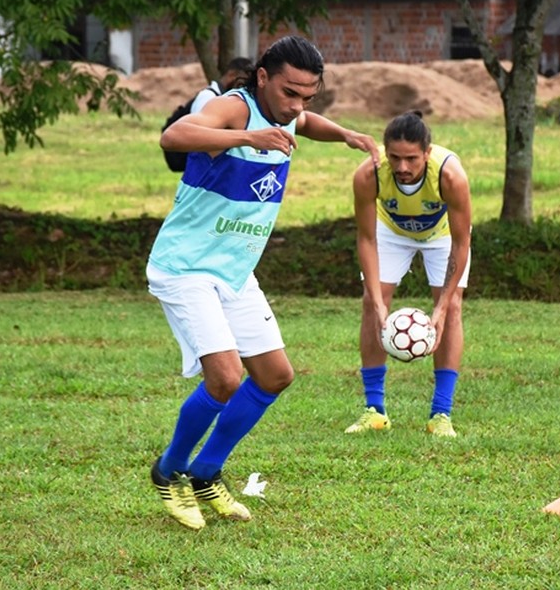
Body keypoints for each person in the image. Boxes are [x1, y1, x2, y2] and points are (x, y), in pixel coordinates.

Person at [148, 35, 379, 531]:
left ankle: (207, 472)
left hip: (233, 272)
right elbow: (175, 136)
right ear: (262, 78)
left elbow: (307, 123)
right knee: (226, 378)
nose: (296, 106)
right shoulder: (234, 108)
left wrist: (347, 136)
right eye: (289, 92)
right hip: (185, 267)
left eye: (307, 96)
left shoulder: (288, 113)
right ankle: (169, 471)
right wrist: (247, 138)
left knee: (275, 375)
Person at [345, 111, 472, 438]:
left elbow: (461, 242)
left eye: (412, 159)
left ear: (427, 154)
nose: (402, 167)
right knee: (372, 303)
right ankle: (375, 411)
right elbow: (366, 238)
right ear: (385, 153)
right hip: (391, 232)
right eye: (395, 158)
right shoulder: (368, 175)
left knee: (453, 307)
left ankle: (440, 415)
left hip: (442, 235)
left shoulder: (450, 176)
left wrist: (441, 309)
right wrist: (376, 302)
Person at [190, 57, 254, 113]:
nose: (243, 87)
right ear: (232, 74)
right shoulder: (208, 96)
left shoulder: (223, 97)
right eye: (243, 81)